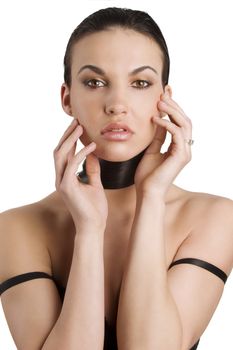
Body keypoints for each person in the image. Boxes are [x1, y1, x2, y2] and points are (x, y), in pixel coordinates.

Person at [0, 6, 232, 350]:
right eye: (95, 82)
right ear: (67, 98)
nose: (117, 104)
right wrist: (89, 231)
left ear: (164, 99)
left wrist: (151, 198)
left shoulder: (216, 218)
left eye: (140, 83)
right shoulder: (16, 228)